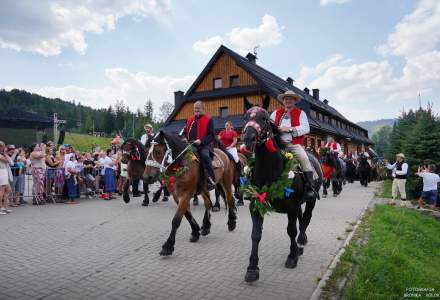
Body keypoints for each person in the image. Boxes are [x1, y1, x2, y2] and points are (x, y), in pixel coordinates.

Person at [270, 90, 316, 199]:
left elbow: (306, 128)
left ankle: (310, 186)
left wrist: (290, 129)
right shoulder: (276, 113)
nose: (288, 100)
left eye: (290, 98)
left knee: (304, 159)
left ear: (294, 101)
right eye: (286, 98)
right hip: (277, 144)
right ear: (283, 101)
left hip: (293, 144)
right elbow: (269, 125)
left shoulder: (301, 113)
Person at [184, 101, 216, 190]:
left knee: (205, 156)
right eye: (195, 108)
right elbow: (184, 132)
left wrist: (201, 141)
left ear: (203, 109)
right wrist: (183, 139)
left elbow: (211, 135)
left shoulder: (209, 119)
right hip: (190, 145)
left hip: (204, 145)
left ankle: (210, 179)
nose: (196, 110)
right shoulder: (189, 120)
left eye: (198, 108)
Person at [0, 141, 13, 214]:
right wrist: (5, 153)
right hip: (1, 172)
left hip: (4, 172)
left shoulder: (2, 154)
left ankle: (5, 207)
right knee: (1, 190)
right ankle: (1, 208)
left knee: (8, 190)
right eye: (2, 146)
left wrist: (4, 153)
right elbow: (7, 161)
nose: (3, 148)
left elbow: (11, 162)